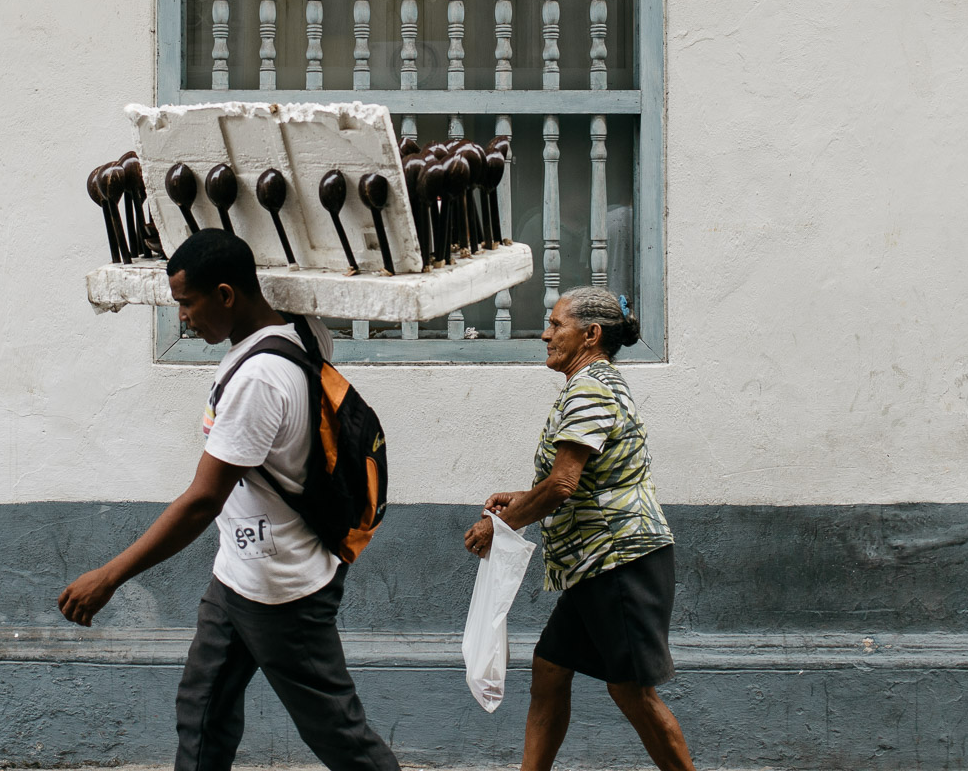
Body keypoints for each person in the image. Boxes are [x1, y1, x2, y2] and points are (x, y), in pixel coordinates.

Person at [59, 229, 400, 771]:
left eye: (187, 303)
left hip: (283, 590)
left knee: (341, 737)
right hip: (239, 573)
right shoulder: (300, 331)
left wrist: (110, 576)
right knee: (202, 715)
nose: (182, 318)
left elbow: (203, 501)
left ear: (225, 294)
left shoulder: (259, 380)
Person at [464, 286, 694, 771]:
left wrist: (500, 525)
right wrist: (522, 498)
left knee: (632, 692)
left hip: (618, 561)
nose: (545, 335)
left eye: (555, 325)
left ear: (590, 334)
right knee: (550, 669)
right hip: (595, 565)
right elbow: (577, 479)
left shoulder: (590, 387)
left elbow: (563, 484)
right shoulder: (593, 383)